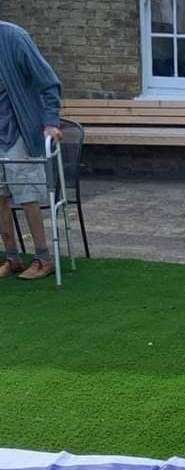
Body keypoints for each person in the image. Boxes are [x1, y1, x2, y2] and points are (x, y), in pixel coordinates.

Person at [0, 21, 62, 280]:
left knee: (27, 195)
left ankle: (43, 257)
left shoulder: (15, 38)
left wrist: (50, 122)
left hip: (20, 130)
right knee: (0, 196)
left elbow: (49, 83)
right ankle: (12, 257)